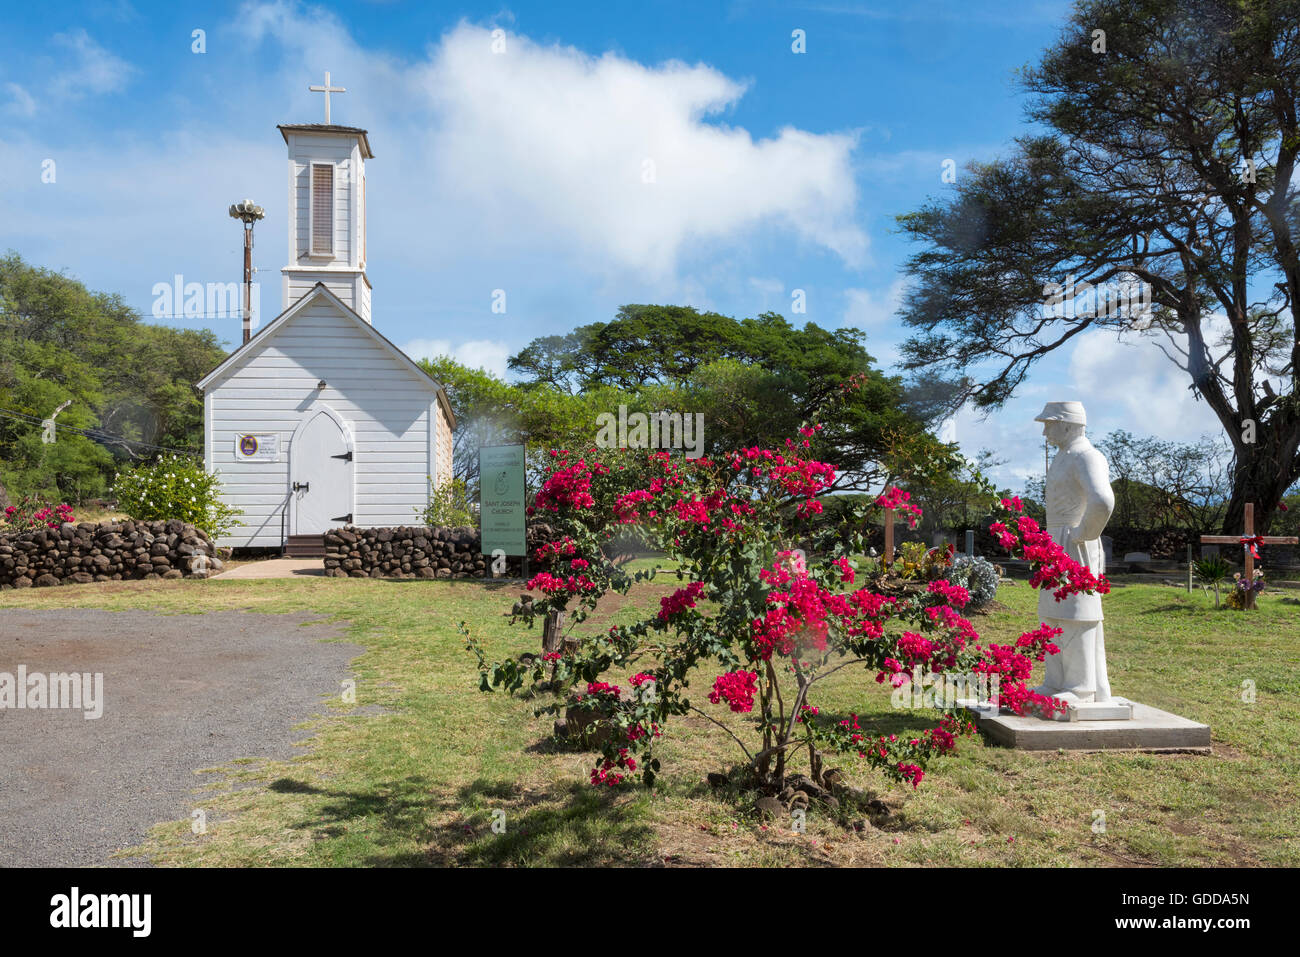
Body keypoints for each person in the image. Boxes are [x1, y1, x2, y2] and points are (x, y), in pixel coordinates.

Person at [1033, 401, 1115, 704]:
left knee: (1077, 612)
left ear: (1067, 425)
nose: (1045, 432)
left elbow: (1102, 501)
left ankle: (1081, 687)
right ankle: (1056, 681)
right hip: (1056, 542)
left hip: (1075, 543)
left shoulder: (1087, 456)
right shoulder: (1063, 457)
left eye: (1049, 424)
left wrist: (1083, 534)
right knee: (1052, 614)